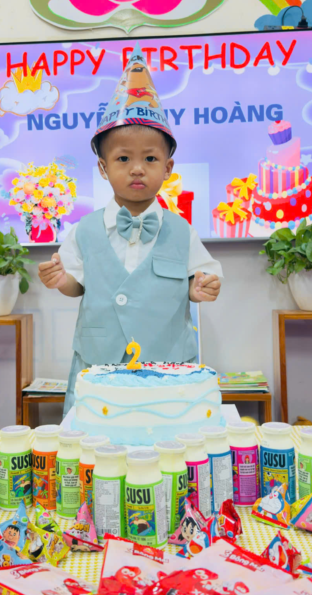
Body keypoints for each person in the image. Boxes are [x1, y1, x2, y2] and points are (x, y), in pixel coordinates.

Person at [38, 47, 222, 415]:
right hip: (98, 368)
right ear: (103, 167)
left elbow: (201, 279)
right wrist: (61, 280)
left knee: (167, 439)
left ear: (168, 167)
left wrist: (202, 288)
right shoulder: (84, 230)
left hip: (167, 370)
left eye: (150, 158)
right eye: (123, 158)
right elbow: (77, 285)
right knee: (96, 440)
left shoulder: (181, 231)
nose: (137, 168)